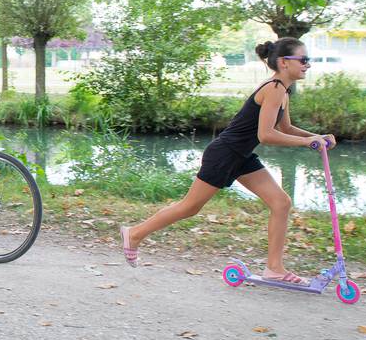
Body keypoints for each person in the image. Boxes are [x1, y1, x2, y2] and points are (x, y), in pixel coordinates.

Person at [118, 37, 336, 283]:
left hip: (241, 156)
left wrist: (316, 137)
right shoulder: (273, 88)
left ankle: (274, 268)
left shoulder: (282, 92)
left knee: (281, 203)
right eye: (304, 60)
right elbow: (266, 135)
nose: (308, 65)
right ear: (285, 62)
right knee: (190, 207)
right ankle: (134, 234)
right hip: (224, 154)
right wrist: (308, 143)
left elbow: (285, 127)